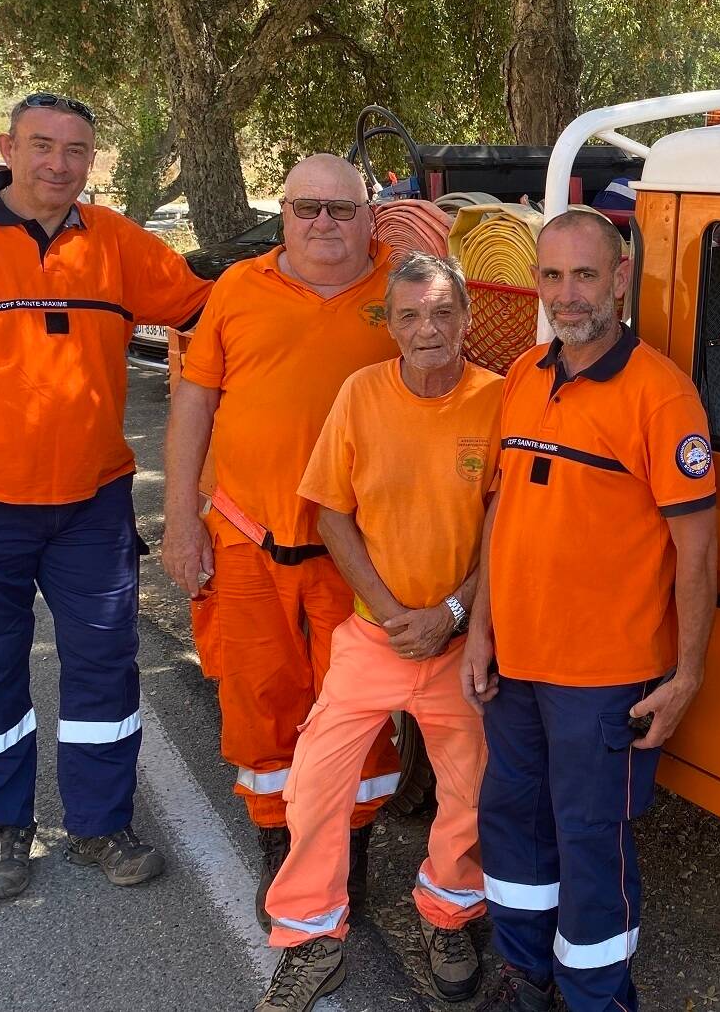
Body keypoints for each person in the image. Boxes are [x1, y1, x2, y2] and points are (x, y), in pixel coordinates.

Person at [0, 92, 211, 900]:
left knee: (104, 670)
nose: (59, 164)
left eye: (76, 150)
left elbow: (206, 308)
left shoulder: (116, 242)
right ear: (6, 148)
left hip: (90, 503)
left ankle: (98, 826)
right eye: (42, 145)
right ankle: (2, 829)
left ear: (92, 161)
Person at [462, 209, 718, 1012]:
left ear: (618, 279)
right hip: (515, 665)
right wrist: (481, 631)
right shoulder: (524, 379)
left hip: (605, 678)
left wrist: (686, 677)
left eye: (583, 276)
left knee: (589, 842)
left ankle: (596, 997)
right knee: (511, 825)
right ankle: (526, 975)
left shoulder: (661, 396)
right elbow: (503, 513)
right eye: (551, 276)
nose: (566, 295)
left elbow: (698, 550)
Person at [255, 253, 502, 1011]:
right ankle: (309, 936)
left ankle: (448, 914)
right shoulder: (361, 394)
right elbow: (330, 509)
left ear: (465, 319)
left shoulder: (500, 400)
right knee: (316, 784)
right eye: (409, 316)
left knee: (473, 791)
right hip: (374, 634)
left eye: (440, 314)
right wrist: (393, 613)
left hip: (463, 641)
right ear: (390, 326)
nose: (426, 329)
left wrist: (455, 613)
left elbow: (506, 523)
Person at [162, 153, 402, 927]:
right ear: (284, 215)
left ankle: (347, 854)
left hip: (359, 554)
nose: (324, 223)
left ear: (371, 215)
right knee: (260, 703)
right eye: (306, 209)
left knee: (355, 713)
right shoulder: (237, 289)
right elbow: (194, 407)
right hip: (246, 540)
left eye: (340, 208)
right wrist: (177, 521)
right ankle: (279, 845)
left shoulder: (406, 292)